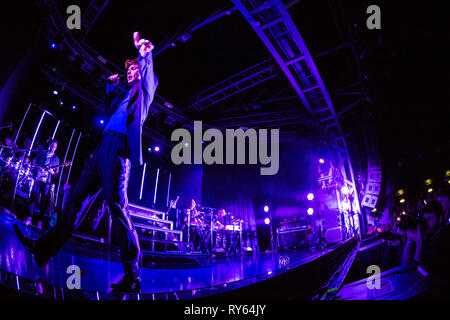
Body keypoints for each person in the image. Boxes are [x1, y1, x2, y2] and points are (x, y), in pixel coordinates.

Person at [14, 32, 158, 293]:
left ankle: (133, 274)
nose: (130, 72)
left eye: (134, 69)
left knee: (117, 209)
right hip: (102, 148)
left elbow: (148, 74)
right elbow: (108, 109)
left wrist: (144, 54)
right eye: (128, 70)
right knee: (75, 197)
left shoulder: (145, 90)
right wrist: (109, 87)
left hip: (118, 150)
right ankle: (43, 248)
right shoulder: (123, 94)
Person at [401, 200, 450, 295]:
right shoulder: (428, 236)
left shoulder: (445, 236)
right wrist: (409, 240)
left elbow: (420, 273)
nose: (426, 223)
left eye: (430, 218)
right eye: (424, 219)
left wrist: (419, 242)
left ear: (440, 219)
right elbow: (404, 266)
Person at [28, 139, 60, 228]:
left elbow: (56, 173)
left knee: (44, 203)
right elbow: (34, 162)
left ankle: (40, 223)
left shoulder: (56, 159)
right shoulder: (42, 153)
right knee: (33, 198)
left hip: (47, 182)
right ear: (49, 145)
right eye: (52, 145)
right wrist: (38, 168)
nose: (53, 148)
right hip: (38, 178)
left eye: (55, 146)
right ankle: (29, 219)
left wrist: (52, 171)